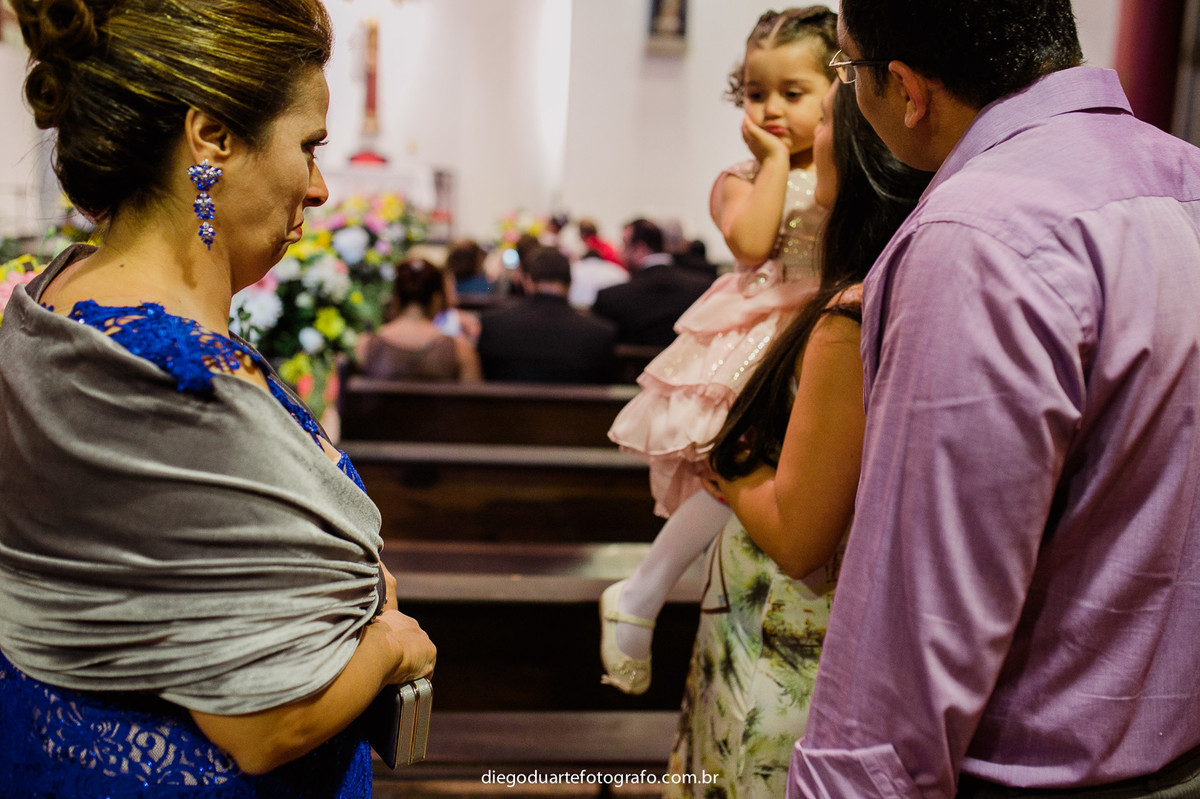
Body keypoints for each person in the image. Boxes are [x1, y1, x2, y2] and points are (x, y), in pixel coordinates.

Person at [0, 0, 436, 795]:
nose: (321, 186)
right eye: (308, 145)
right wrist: (394, 645)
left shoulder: (51, 291)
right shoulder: (190, 380)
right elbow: (269, 725)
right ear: (212, 138)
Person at [788, 2, 1200, 798]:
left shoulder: (977, 236)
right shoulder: (1188, 179)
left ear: (904, 89)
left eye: (845, 71)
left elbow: (919, 622)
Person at [664, 80, 931, 799]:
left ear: (854, 154)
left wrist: (728, 467)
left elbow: (799, 534)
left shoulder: (849, 315)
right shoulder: (901, 284)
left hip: (787, 640)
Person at [599, 7, 836, 696]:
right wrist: (770, 160)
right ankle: (643, 587)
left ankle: (642, 590)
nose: (770, 109)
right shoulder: (740, 177)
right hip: (769, 337)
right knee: (734, 469)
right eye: (757, 93)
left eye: (793, 93)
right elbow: (754, 244)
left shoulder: (840, 165)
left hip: (830, 333)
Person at [477, 246, 617, 384]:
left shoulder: (493, 325)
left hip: (506, 407)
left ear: (527, 282)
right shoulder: (599, 334)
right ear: (569, 284)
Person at [591, 217, 712, 347]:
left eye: (624, 244)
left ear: (640, 249)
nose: (620, 252)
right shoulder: (703, 288)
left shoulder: (611, 298)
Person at [354, 258, 482, 381]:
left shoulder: (366, 347)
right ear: (436, 299)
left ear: (396, 297)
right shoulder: (461, 351)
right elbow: (474, 401)